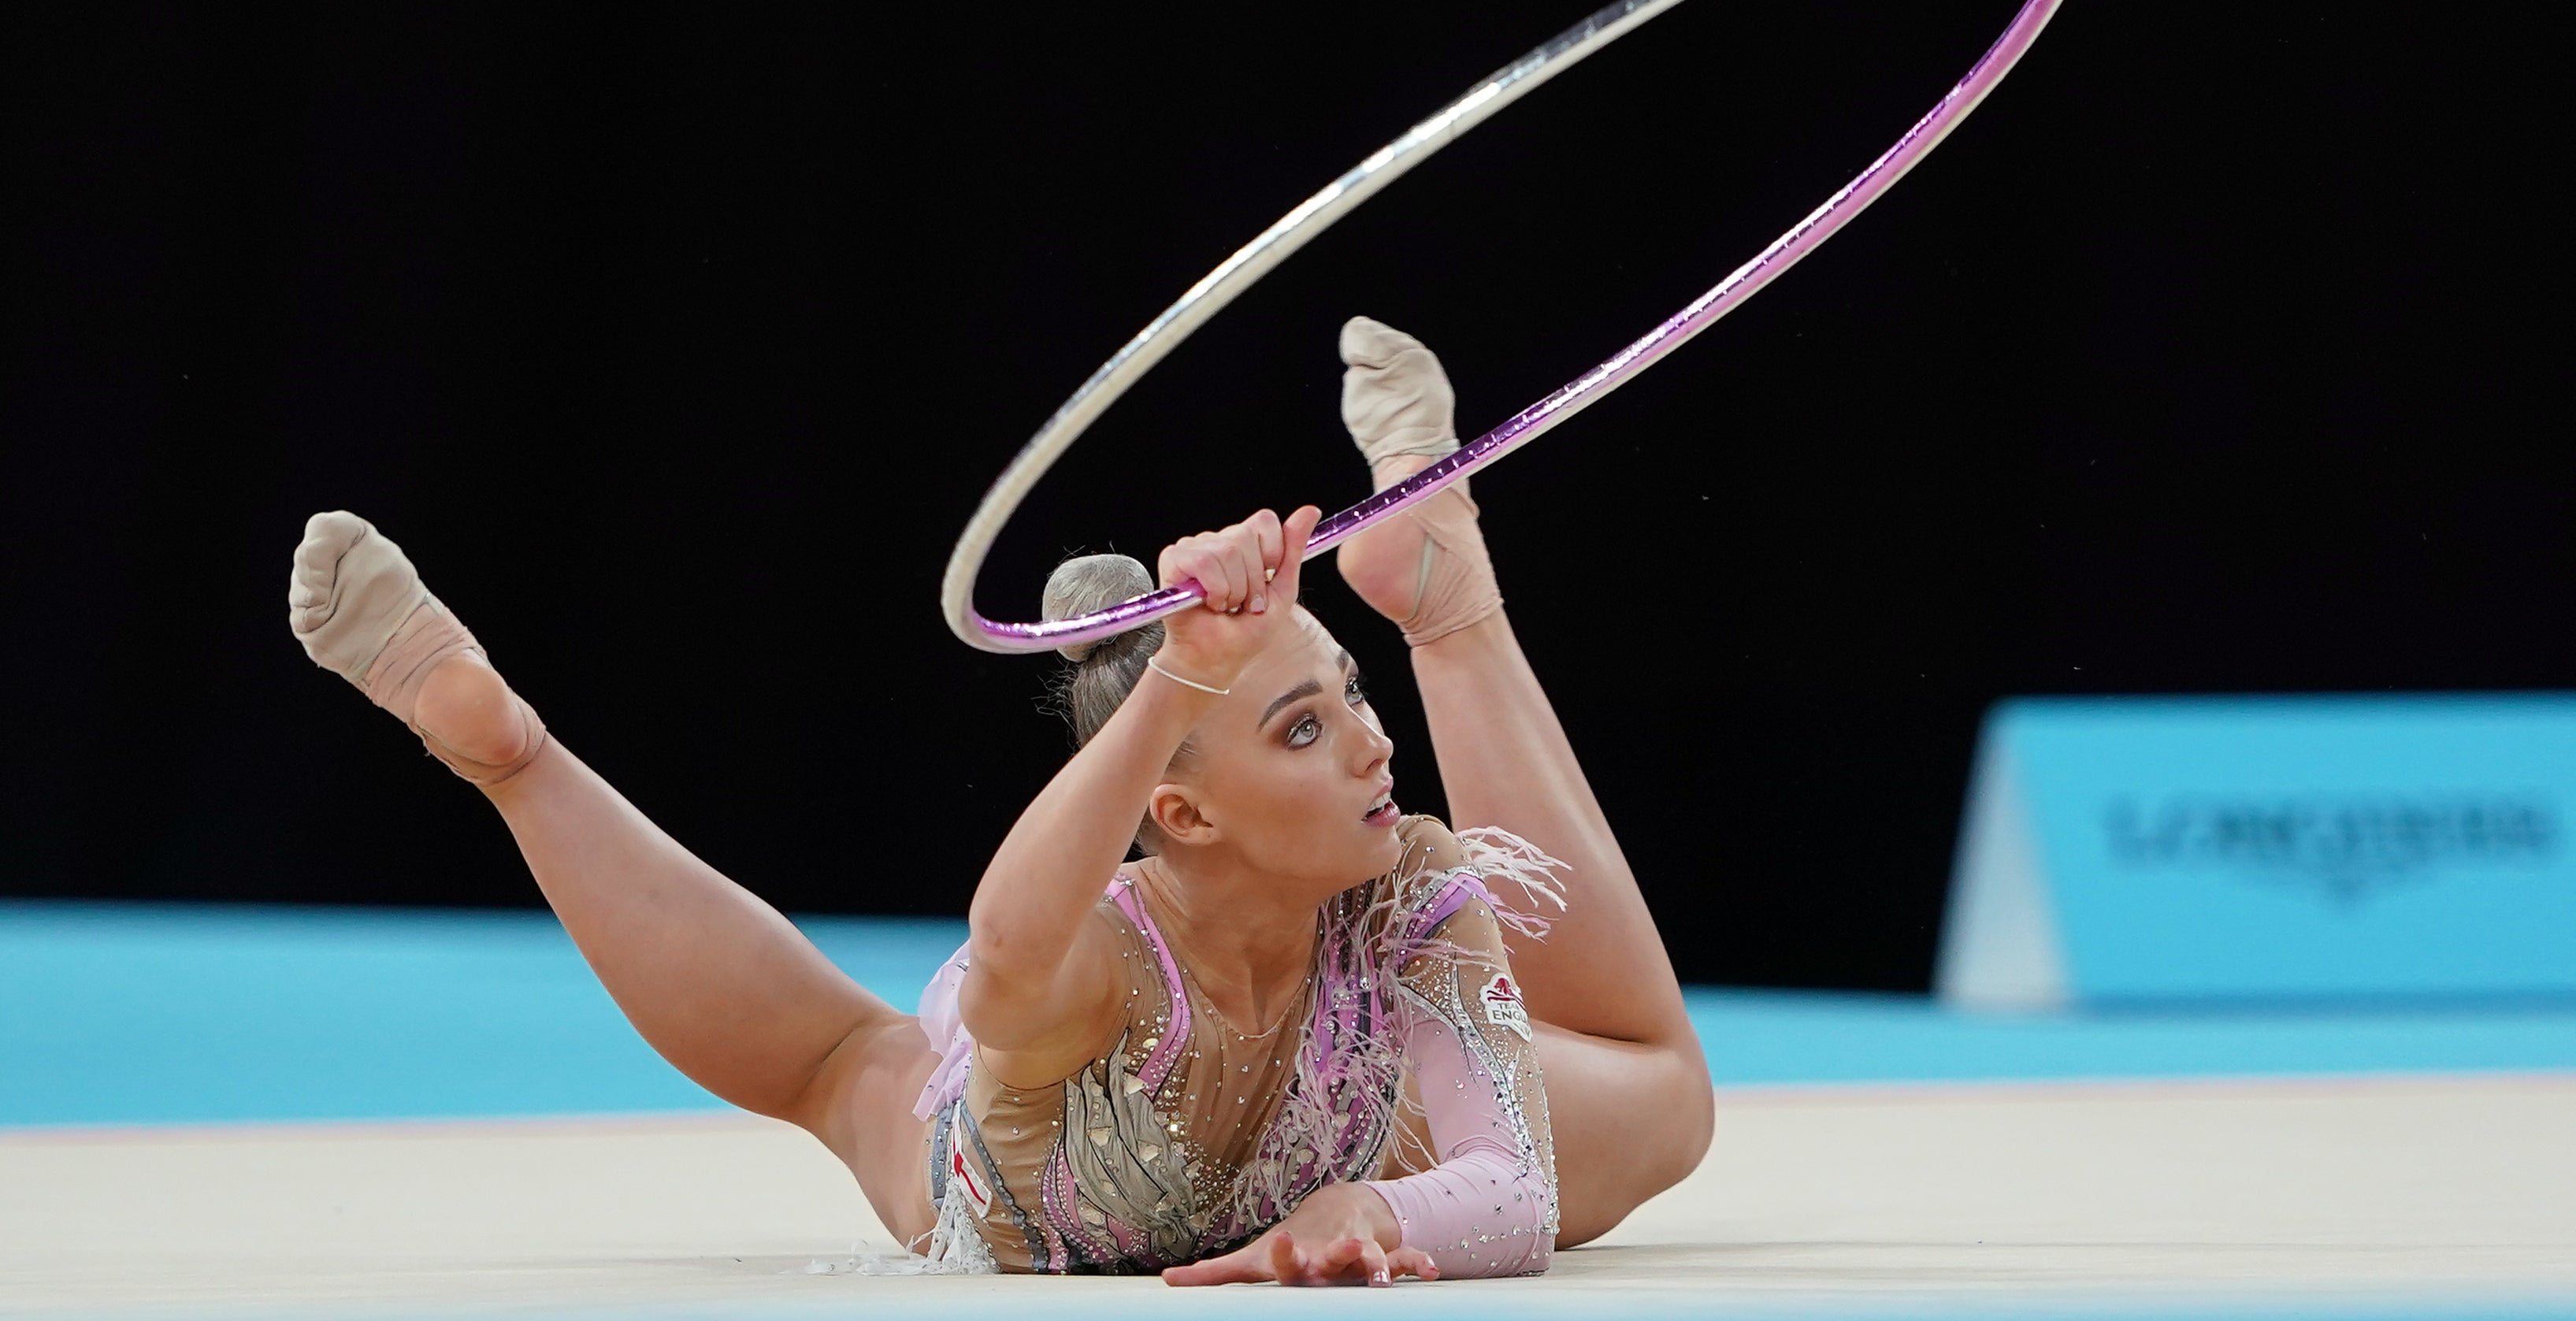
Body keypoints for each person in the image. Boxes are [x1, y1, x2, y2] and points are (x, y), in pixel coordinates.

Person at [285, 319, 1713, 1285]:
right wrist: (1177, 683)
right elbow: (1013, 932)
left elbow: (1515, 1184)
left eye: (1346, 690)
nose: (1366, 744)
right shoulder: (1097, 957)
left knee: (1665, 1098)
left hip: (1329, 1133)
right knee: (843, 1065)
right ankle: (511, 754)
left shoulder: (1407, 888)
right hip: (1042, 1191)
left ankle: (1442, 583)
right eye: (1301, 723)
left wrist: (1374, 1211)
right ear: (1185, 812)